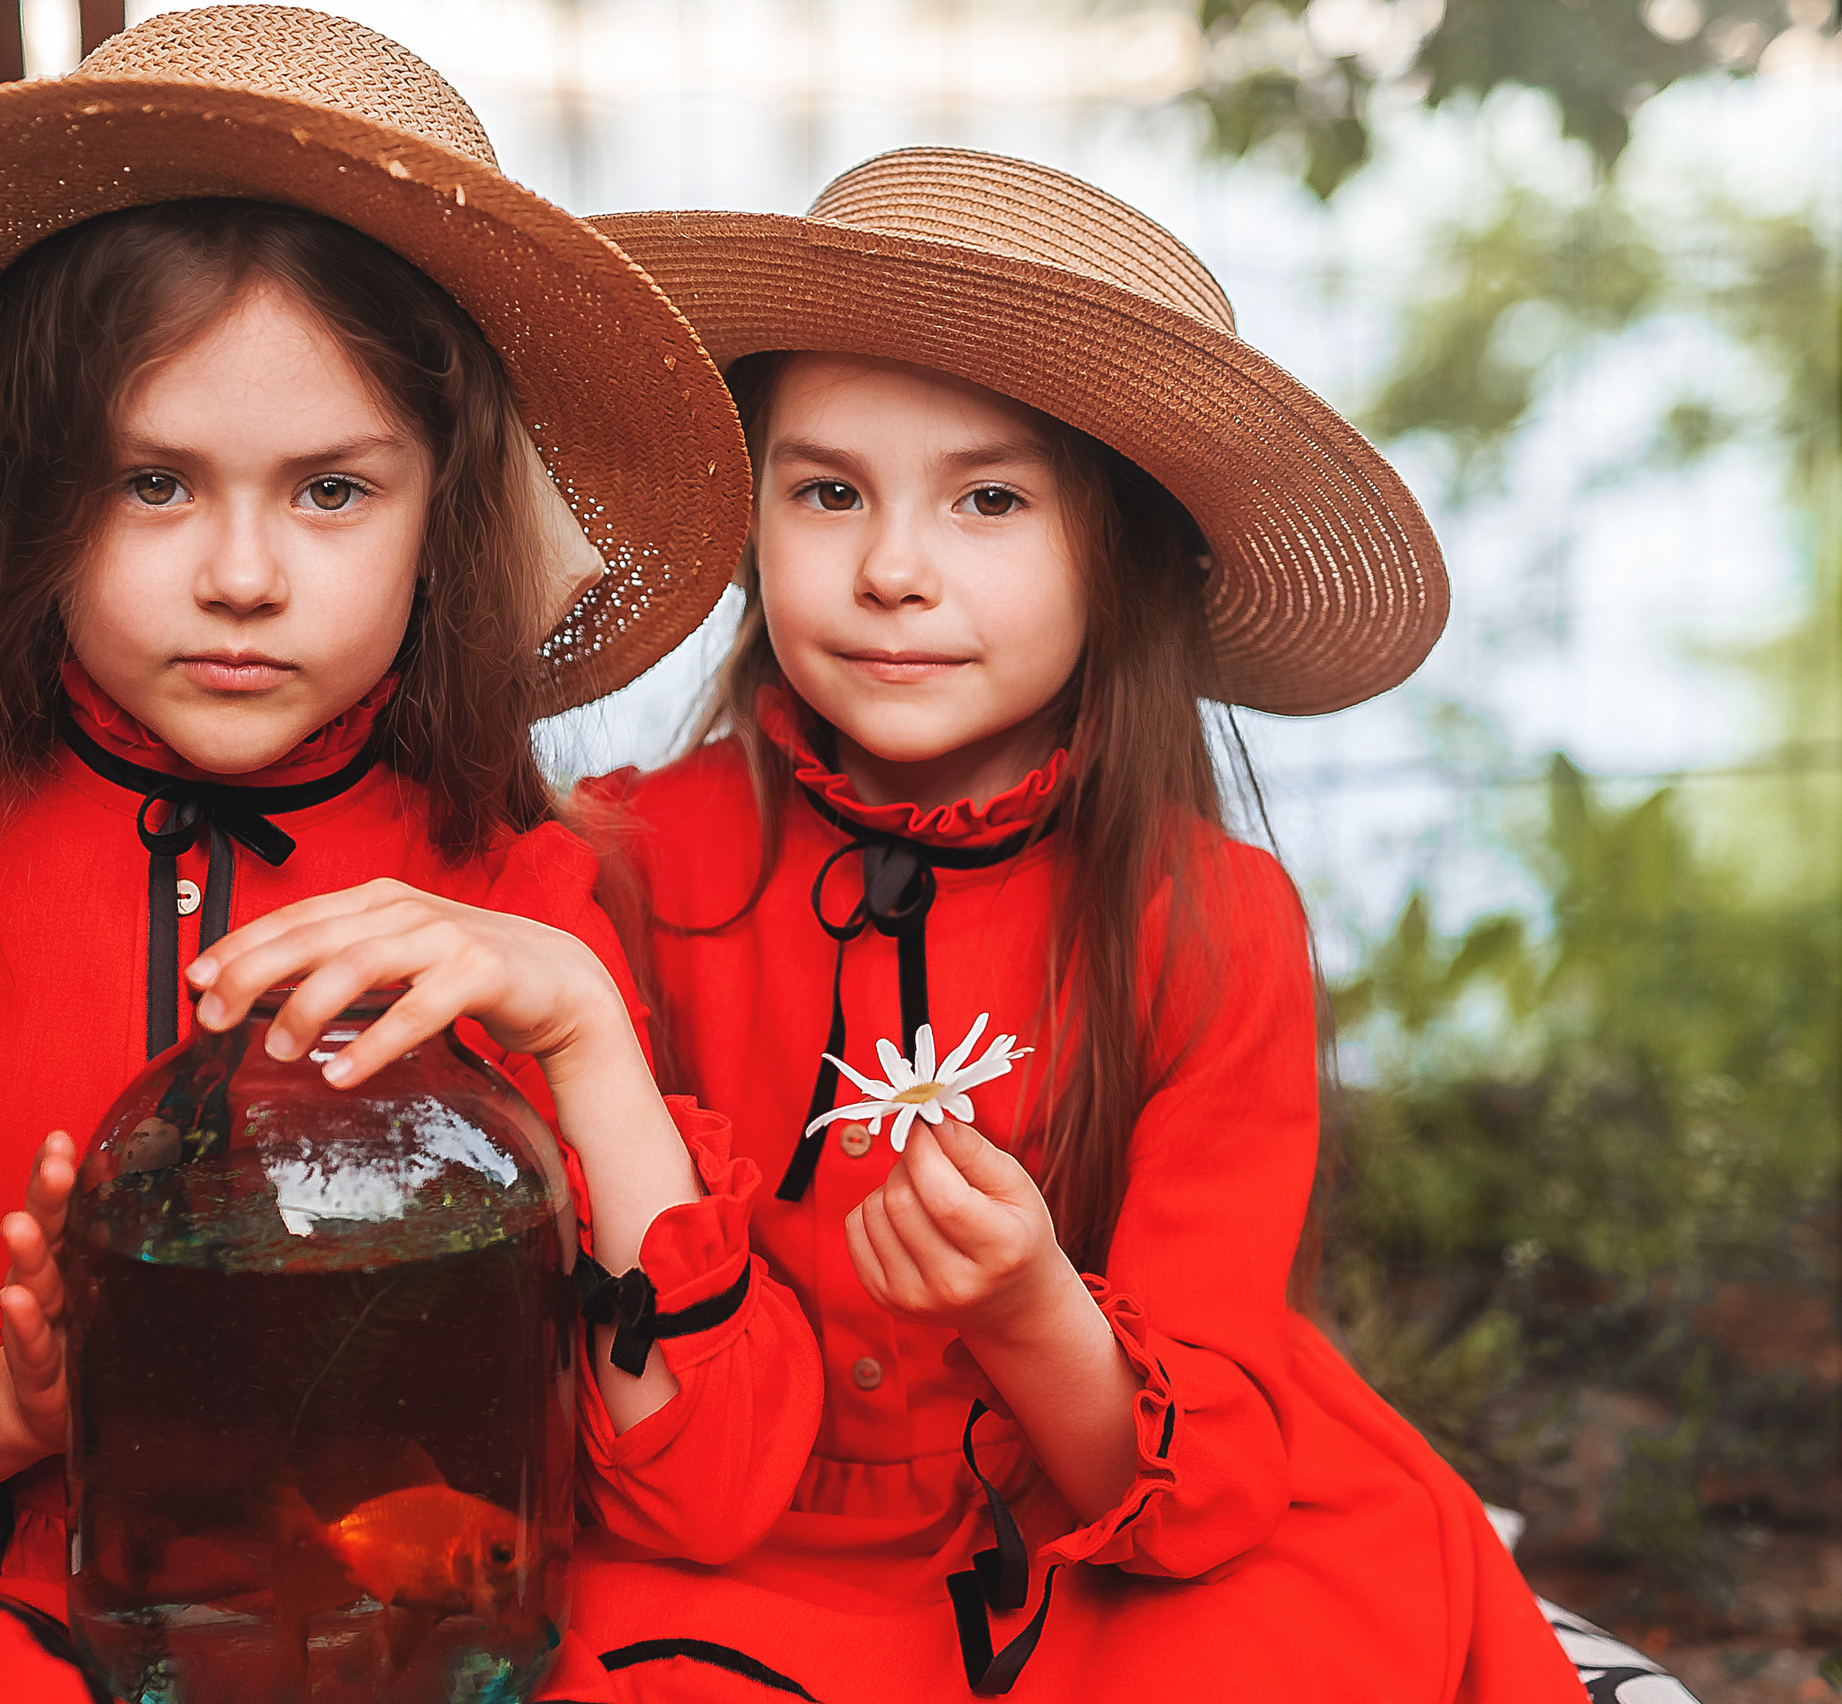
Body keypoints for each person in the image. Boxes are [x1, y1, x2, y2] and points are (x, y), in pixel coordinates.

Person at [0, 10, 816, 1700]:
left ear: (447, 509)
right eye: (154, 483)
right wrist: (11, 1407)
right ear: (24, 497)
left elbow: (717, 1484)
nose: (243, 576)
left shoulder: (519, 889)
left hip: (434, 1641)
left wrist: (585, 1040)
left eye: (332, 492)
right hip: (3, 1635)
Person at [559, 151, 1585, 1700]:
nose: (893, 570)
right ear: (748, 509)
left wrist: (1029, 1304)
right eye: (828, 490)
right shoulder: (629, 861)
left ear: (1126, 550)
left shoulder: (1211, 922)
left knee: (1297, 1626)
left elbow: (1183, 1478)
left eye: (988, 499)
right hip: (725, 1520)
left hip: (1090, 1520)